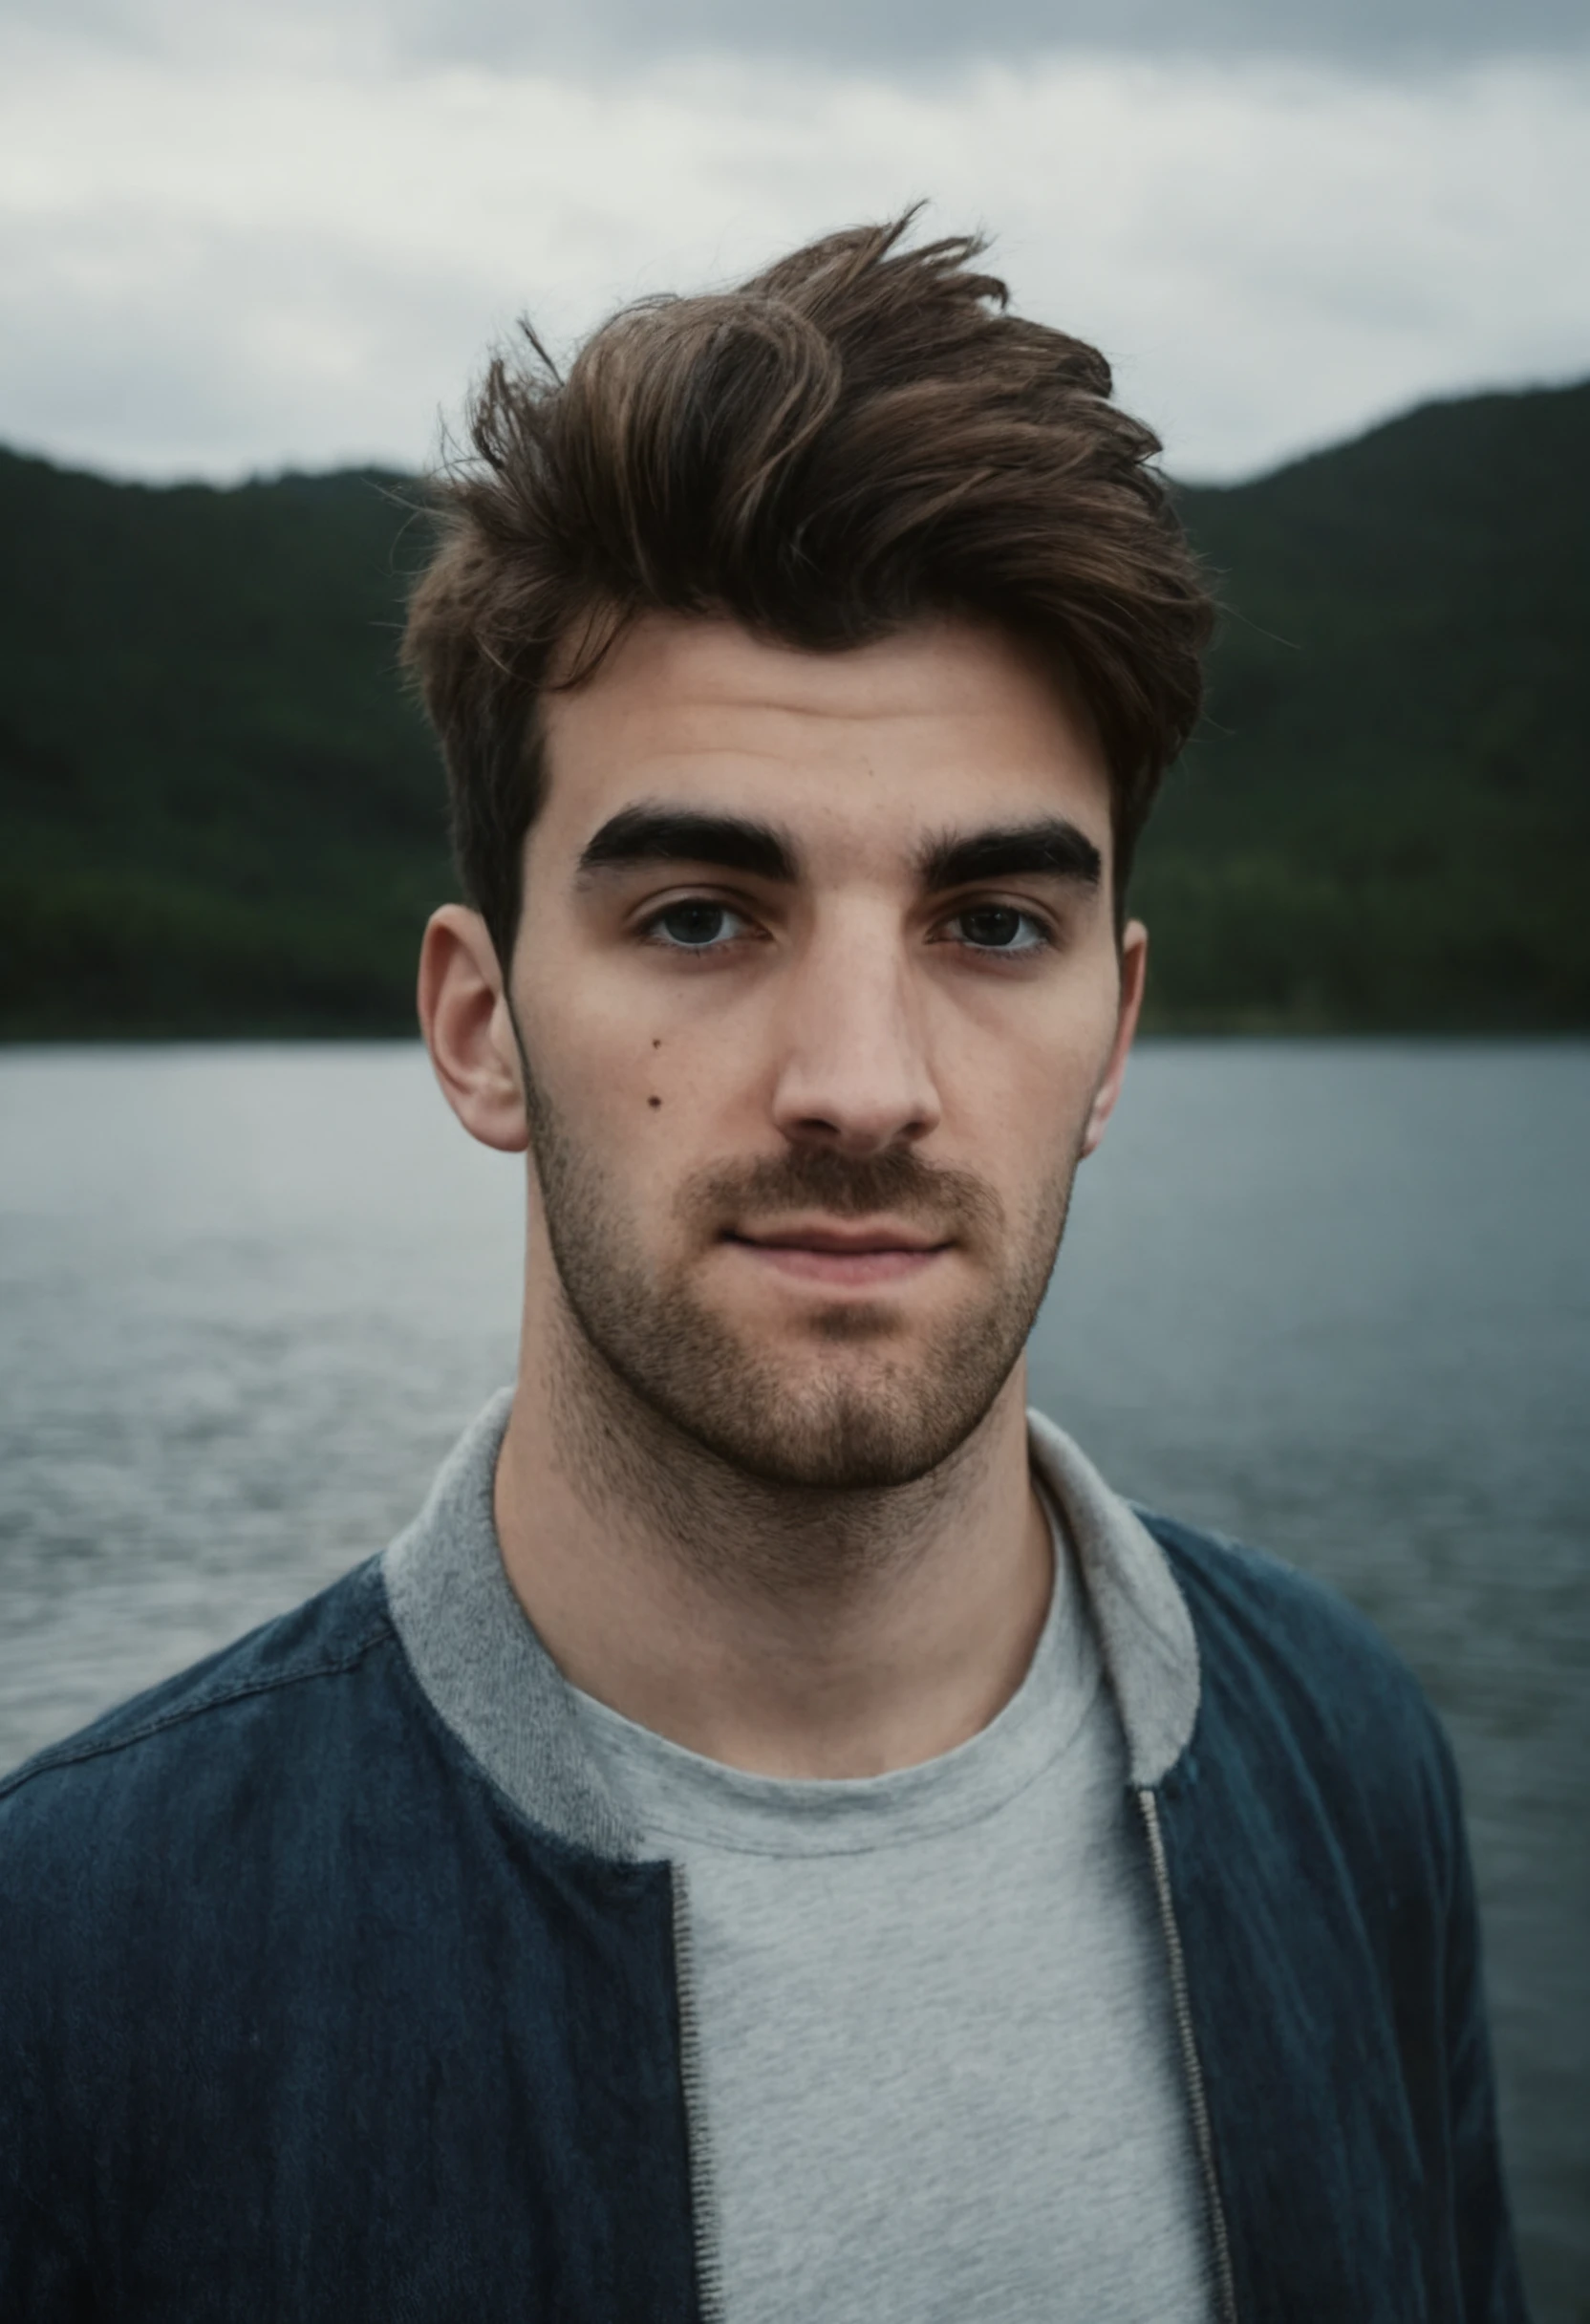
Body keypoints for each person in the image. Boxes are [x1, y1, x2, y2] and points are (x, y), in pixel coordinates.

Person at [0, 218, 1525, 2323]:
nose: (861, 1085)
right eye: (701, 916)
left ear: (1116, 1030)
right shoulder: (72, 1952)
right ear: (476, 1024)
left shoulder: (1343, 1758)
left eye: (992, 924)